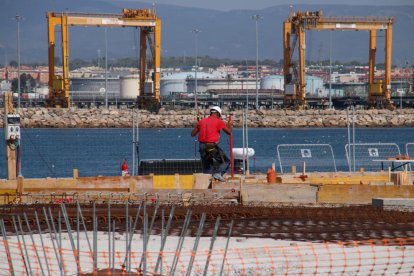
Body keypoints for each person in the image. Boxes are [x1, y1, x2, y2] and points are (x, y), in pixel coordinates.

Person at [191, 106, 232, 182]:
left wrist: (198, 125)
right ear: (217, 114)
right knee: (226, 162)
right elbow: (229, 132)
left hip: (202, 146)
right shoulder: (218, 121)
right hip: (211, 145)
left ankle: (208, 183)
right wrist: (229, 124)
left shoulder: (202, 121)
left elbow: (193, 134)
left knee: (208, 166)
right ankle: (218, 174)